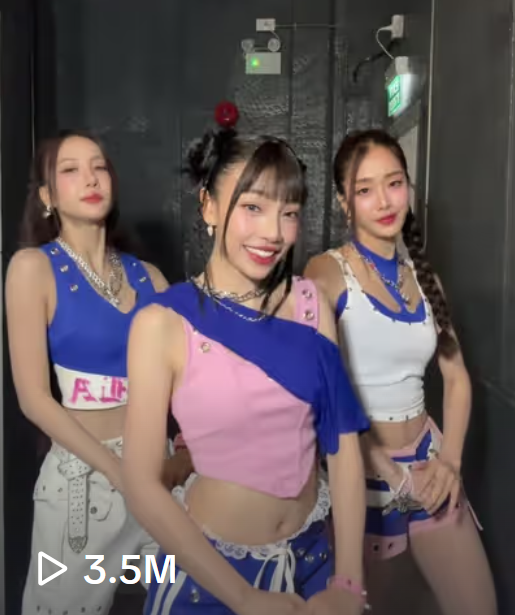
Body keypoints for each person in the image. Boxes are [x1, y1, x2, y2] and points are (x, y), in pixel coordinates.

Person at [122, 116, 371, 615]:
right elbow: (142, 486)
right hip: (212, 573)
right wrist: (242, 597)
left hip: (313, 560)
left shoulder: (310, 303)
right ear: (209, 206)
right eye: (252, 207)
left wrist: (349, 581)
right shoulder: (162, 322)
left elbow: (343, 446)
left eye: (289, 213)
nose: (272, 233)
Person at [304, 129, 497, 615]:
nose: (384, 201)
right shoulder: (325, 274)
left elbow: (457, 378)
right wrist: (388, 472)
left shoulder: (425, 279)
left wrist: (449, 462)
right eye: (364, 189)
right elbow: (320, 395)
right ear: (344, 202)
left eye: (394, 183)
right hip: (363, 474)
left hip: (430, 466)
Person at [5, 130, 193, 615]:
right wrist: (118, 471)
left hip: (158, 477)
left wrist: (183, 454)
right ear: (47, 197)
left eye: (99, 167)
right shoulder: (32, 269)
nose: (90, 178)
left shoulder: (150, 277)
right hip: (82, 495)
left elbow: (192, 384)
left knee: (180, 597)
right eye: (70, 170)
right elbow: (33, 399)